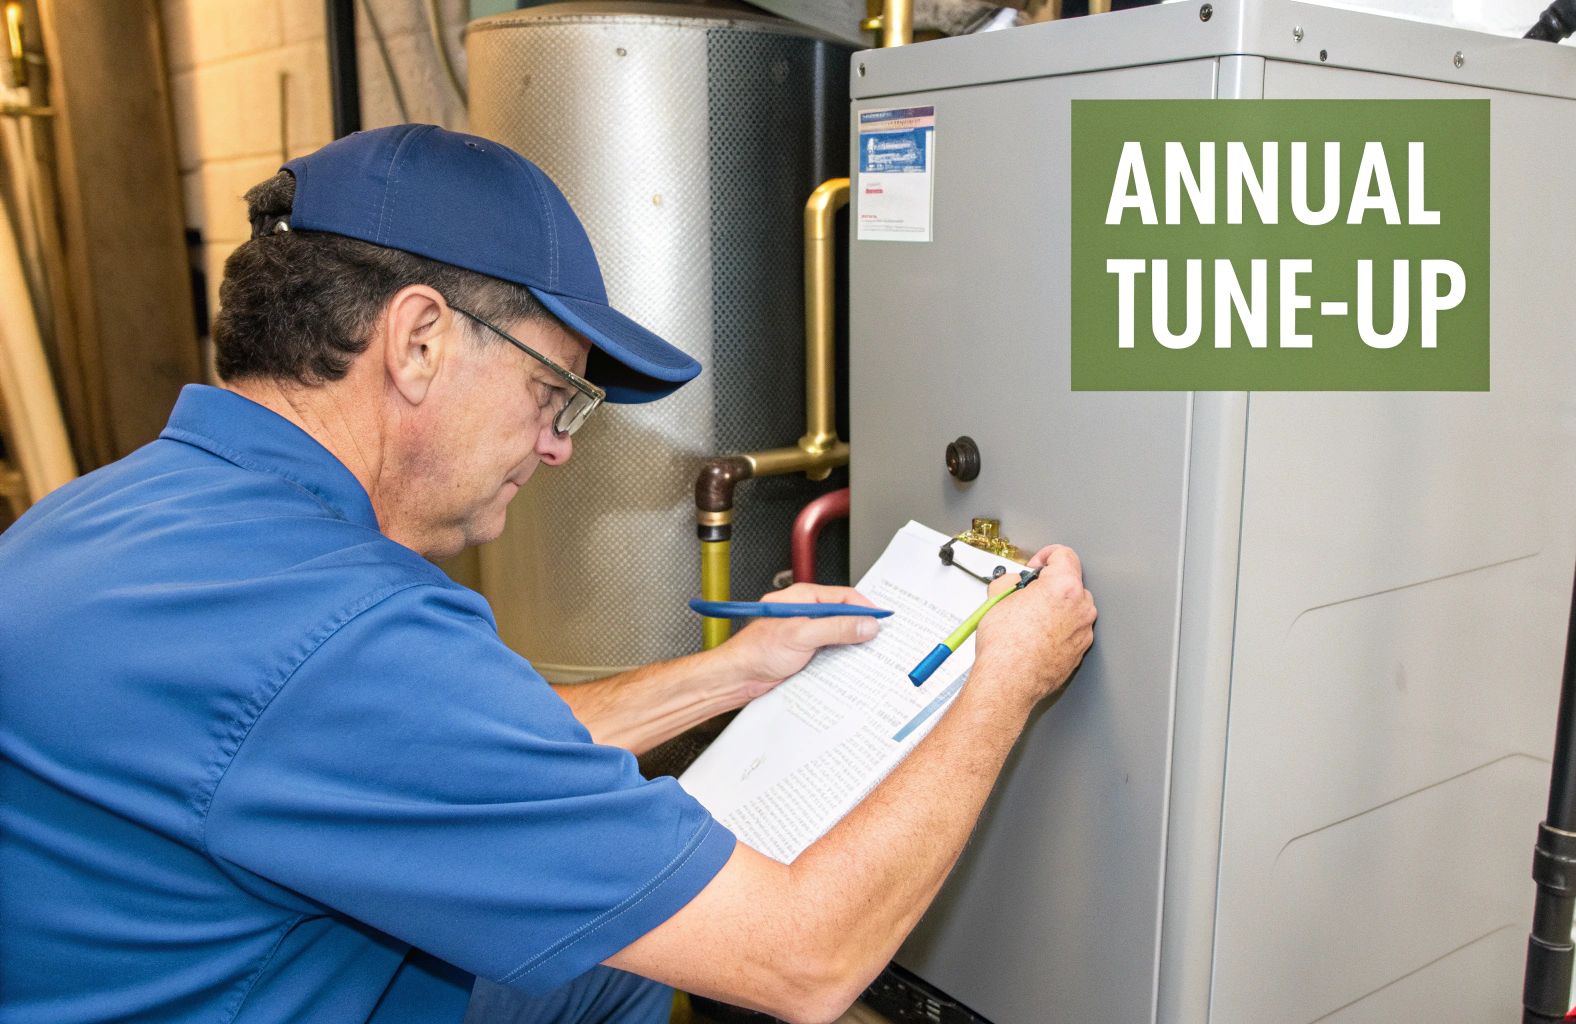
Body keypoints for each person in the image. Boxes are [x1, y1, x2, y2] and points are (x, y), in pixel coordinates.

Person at [0, 125, 1095, 1024]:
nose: (561, 444)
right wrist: (1003, 677)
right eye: (554, 393)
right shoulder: (350, 627)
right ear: (419, 340)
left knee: (601, 959)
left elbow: (436, 753)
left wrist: (735, 671)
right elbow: (803, 962)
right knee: (648, 952)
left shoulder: (101, 518)